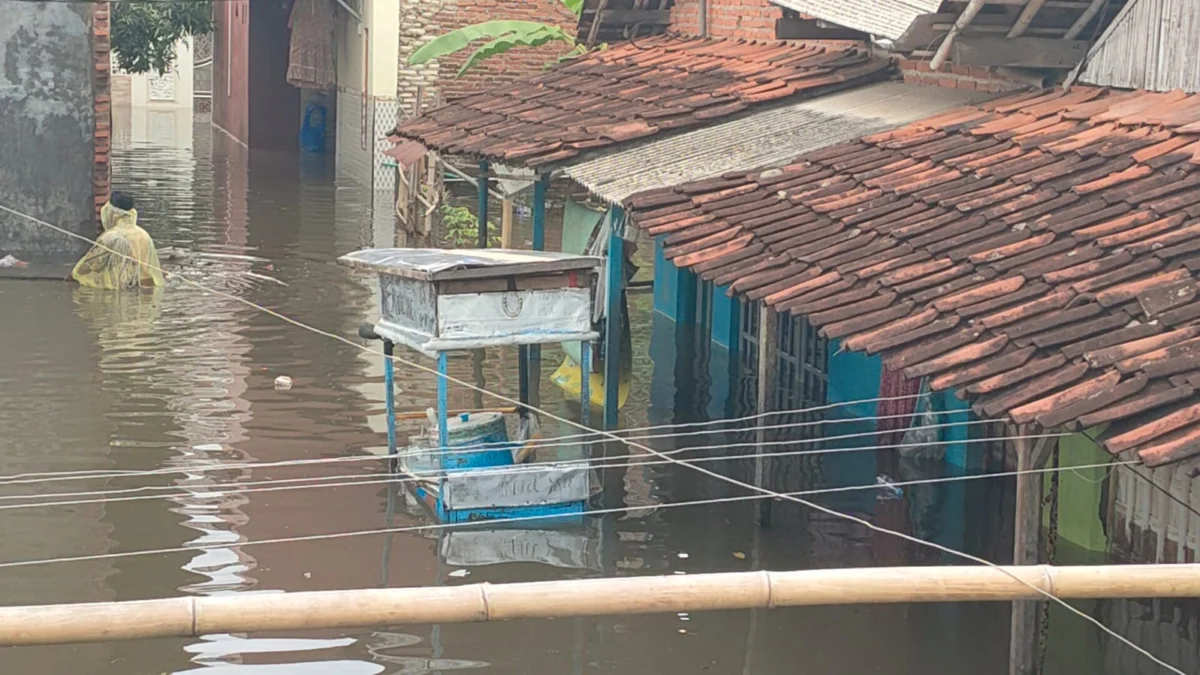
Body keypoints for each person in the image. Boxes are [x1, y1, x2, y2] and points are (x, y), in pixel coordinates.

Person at [70, 192, 164, 289]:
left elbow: (90, 265)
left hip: (122, 290)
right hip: (146, 288)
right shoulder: (144, 235)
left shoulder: (110, 237)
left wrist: (73, 275)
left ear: (113, 213)